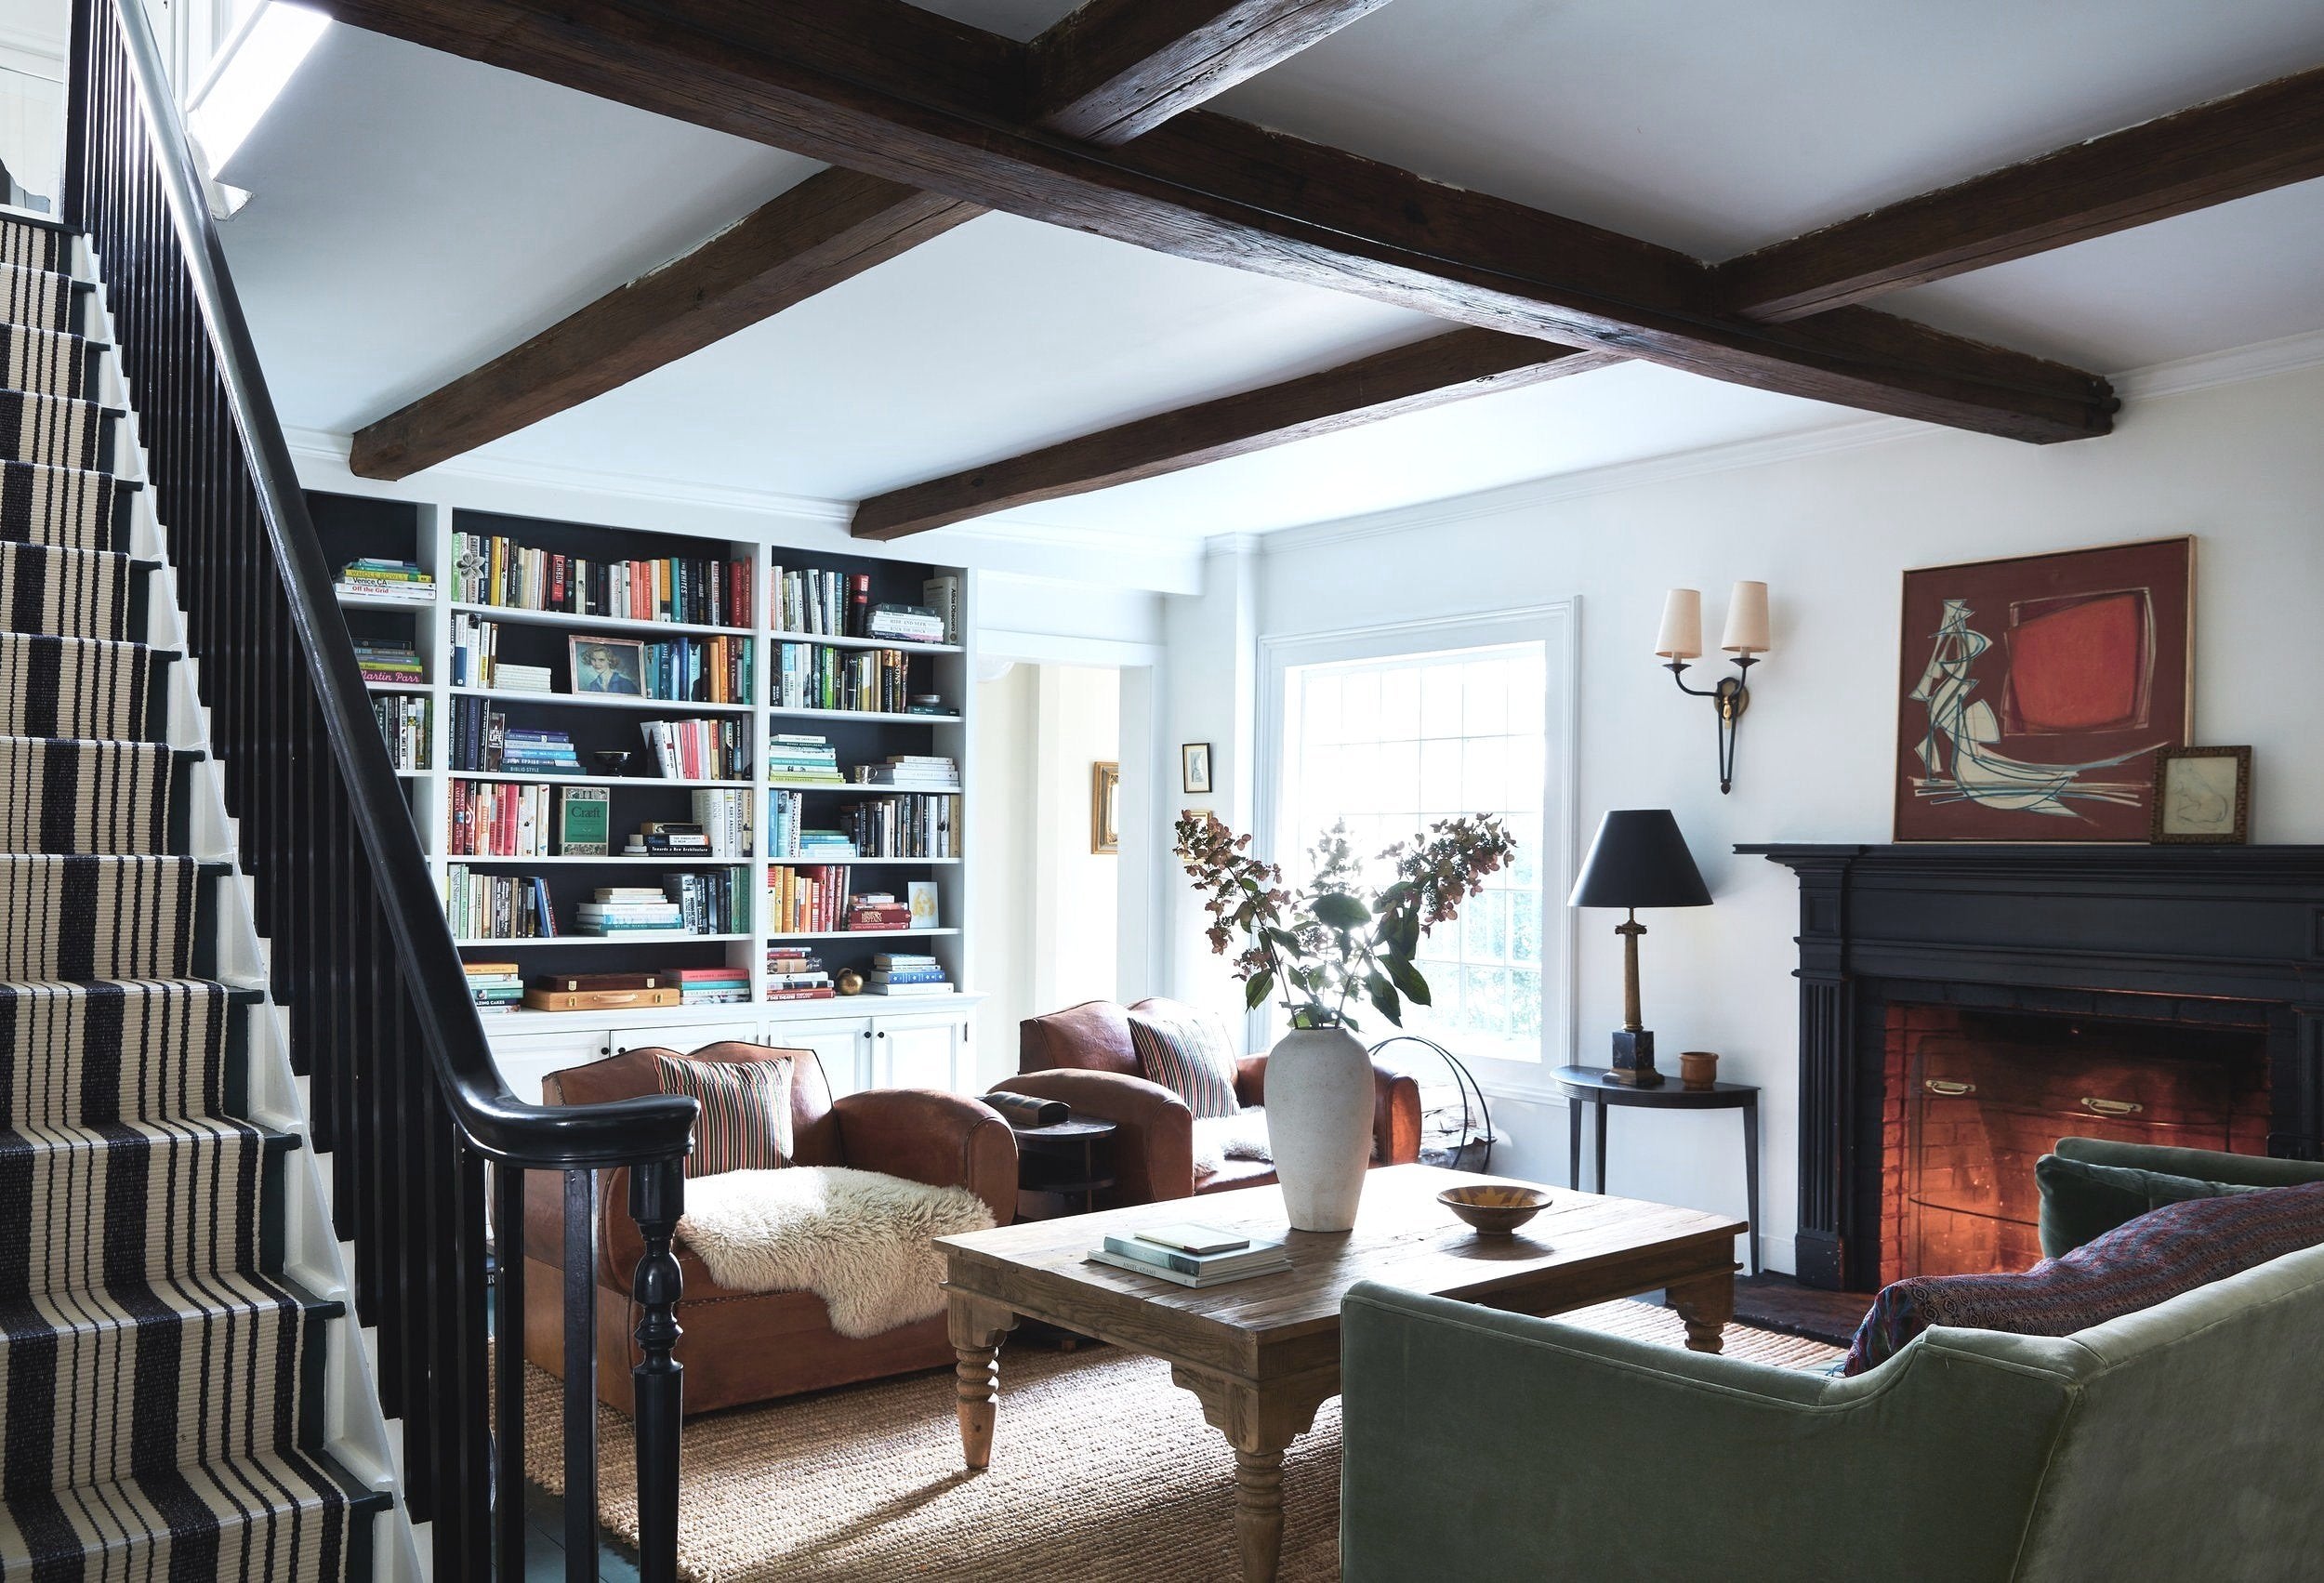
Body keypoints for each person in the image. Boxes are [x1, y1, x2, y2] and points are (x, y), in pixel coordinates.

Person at [576, 643, 640, 694]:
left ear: (609, 660)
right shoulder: (593, 685)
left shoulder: (626, 684)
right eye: (593, 659)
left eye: (601, 660)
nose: (596, 664)